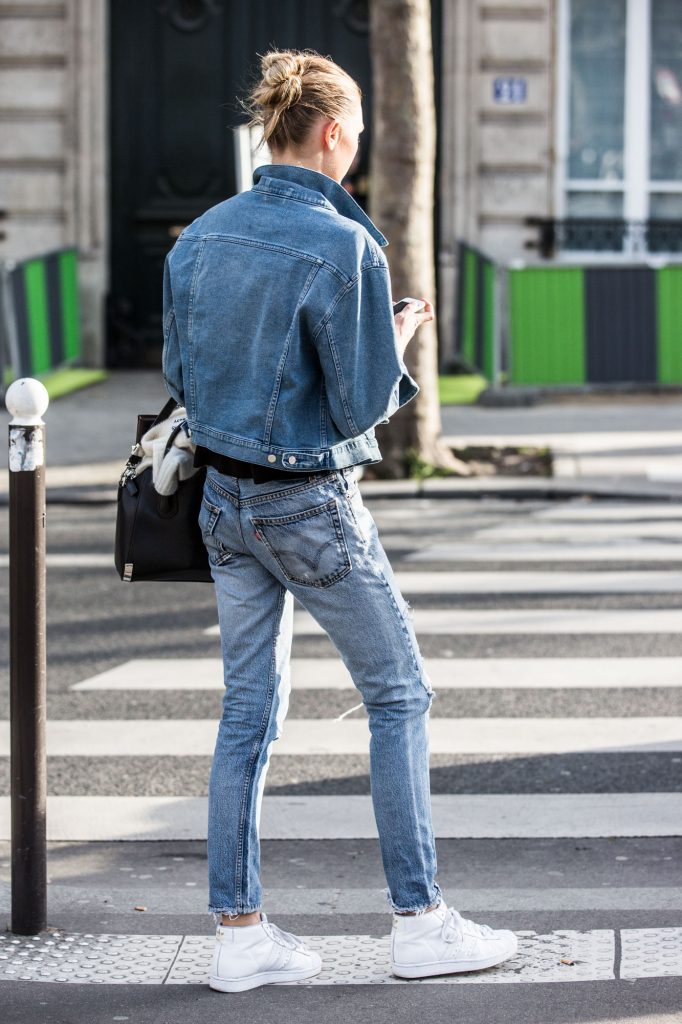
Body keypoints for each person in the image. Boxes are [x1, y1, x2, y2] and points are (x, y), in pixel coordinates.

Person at [161, 47, 518, 993]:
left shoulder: (197, 237)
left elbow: (181, 378)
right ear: (331, 133)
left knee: (247, 717)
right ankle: (420, 919)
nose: (353, 153)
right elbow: (360, 405)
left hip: (223, 507)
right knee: (399, 694)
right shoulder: (343, 246)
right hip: (309, 506)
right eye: (353, 137)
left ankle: (240, 933)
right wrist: (396, 336)